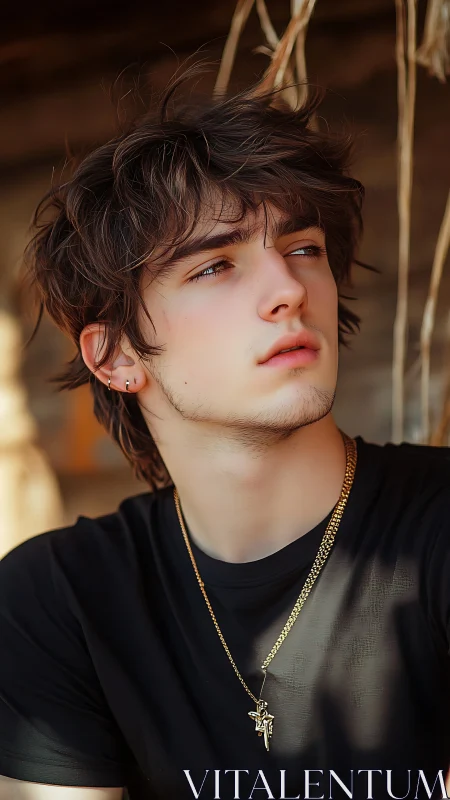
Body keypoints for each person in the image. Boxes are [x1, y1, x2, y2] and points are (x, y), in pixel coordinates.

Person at [1, 70, 450, 800]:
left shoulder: (436, 535)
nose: (288, 289)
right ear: (115, 356)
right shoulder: (59, 601)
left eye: (303, 248)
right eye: (216, 265)